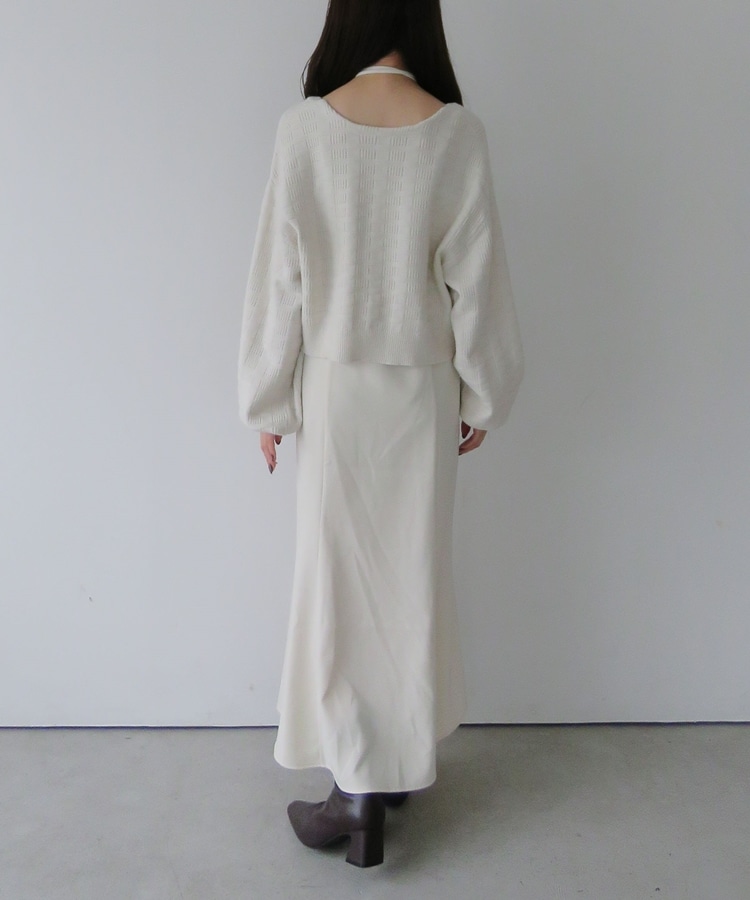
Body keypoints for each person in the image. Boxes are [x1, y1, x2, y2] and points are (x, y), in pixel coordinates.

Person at [237, 0, 524, 868]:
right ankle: (387, 770)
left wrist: (267, 402)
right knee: (407, 582)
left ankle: (354, 792)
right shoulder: (455, 134)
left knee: (337, 587)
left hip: (335, 393)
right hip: (421, 396)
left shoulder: (304, 131)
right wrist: (484, 395)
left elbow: (278, 280)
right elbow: (479, 283)